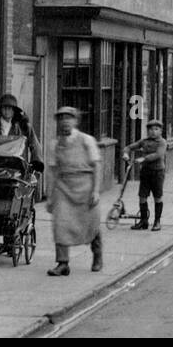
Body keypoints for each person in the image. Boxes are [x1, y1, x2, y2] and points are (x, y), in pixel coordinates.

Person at [47, 106, 102, 275]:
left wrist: (96, 191)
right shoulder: (54, 144)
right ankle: (63, 263)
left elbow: (97, 165)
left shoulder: (87, 140)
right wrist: (50, 197)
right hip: (64, 187)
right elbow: (53, 171)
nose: (65, 122)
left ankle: (97, 255)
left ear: (75, 121)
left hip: (85, 185)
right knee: (60, 224)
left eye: (69, 118)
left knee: (90, 224)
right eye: (62, 118)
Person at [123, 118, 168, 230]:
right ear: (148, 131)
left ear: (160, 131)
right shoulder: (144, 141)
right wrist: (125, 153)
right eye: (151, 129)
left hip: (157, 172)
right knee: (142, 196)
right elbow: (129, 147)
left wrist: (143, 159)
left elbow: (158, 154)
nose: (153, 131)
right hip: (145, 172)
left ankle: (157, 222)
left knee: (157, 197)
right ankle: (144, 221)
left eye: (156, 129)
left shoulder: (162, 142)